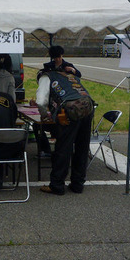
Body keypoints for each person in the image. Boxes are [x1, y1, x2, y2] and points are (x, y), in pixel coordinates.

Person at [36, 46, 93, 196]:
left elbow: (41, 101)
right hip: (88, 105)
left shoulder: (45, 77)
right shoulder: (69, 73)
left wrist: (44, 115)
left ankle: (57, 185)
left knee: (63, 148)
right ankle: (78, 184)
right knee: (82, 147)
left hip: (70, 110)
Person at [34, 45, 82, 157]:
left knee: (62, 125)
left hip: (66, 101)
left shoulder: (68, 66)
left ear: (62, 55)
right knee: (37, 125)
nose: (57, 60)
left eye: (59, 57)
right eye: (55, 58)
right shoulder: (48, 67)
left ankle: (61, 151)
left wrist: (72, 70)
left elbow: (79, 76)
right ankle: (45, 150)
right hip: (53, 99)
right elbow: (41, 75)